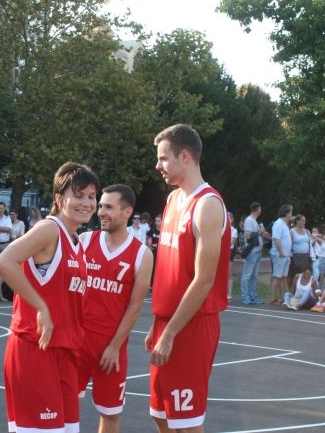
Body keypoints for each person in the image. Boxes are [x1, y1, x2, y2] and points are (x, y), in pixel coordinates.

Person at [0, 162, 99, 433]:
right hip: (36, 349)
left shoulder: (77, 242)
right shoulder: (50, 230)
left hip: (65, 352)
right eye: (78, 195)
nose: (87, 203)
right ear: (59, 198)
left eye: (91, 196)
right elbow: (4, 262)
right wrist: (41, 307)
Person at [147, 124, 230, 433]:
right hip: (167, 320)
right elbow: (170, 270)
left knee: (187, 422)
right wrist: (158, 324)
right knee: (161, 414)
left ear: (184, 156)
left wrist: (170, 332)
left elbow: (204, 280)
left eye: (163, 158)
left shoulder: (207, 205)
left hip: (193, 325)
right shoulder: (172, 200)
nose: (158, 166)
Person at [77, 184, 153, 433]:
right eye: (100, 206)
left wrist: (114, 346)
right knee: (65, 406)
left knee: (110, 414)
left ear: (127, 212)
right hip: (77, 341)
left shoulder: (142, 255)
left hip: (111, 347)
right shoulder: (84, 241)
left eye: (109, 207)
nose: (101, 212)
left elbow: (135, 306)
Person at [240, 202, 265, 305]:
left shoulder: (254, 221)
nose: (260, 211)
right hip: (252, 251)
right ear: (257, 210)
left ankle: (253, 296)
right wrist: (260, 232)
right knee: (247, 275)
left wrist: (262, 233)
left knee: (254, 276)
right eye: (260, 209)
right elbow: (248, 236)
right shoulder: (249, 220)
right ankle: (245, 296)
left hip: (257, 251)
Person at [269, 205, 293, 305]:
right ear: (286, 213)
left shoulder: (285, 224)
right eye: (291, 212)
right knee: (277, 276)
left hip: (286, 255)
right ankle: (273, 298)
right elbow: (276, 239)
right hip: (279, 255)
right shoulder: (278, 224)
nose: (291, 214)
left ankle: (283, 297)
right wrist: (281, 252)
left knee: (283, 277)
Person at [289, 215, 311, 286]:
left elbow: (310, 242)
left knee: (305, 273)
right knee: (296, 274)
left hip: (306, 255)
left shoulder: (307, 231)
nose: (304, 222)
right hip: (296, 256)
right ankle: (294, 289)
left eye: (304, 220)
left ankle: (303, 288)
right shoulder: (292, 231)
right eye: (302, 220)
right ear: (297, 221)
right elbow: (289, 244)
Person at [227, 211, 238, 300]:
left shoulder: (234, 230)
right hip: (221, 252)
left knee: (229, 273)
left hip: (229, 252)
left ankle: (229, 293)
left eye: (228, 218)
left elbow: (230, 242)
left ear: (232, 219)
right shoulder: (220, 229)